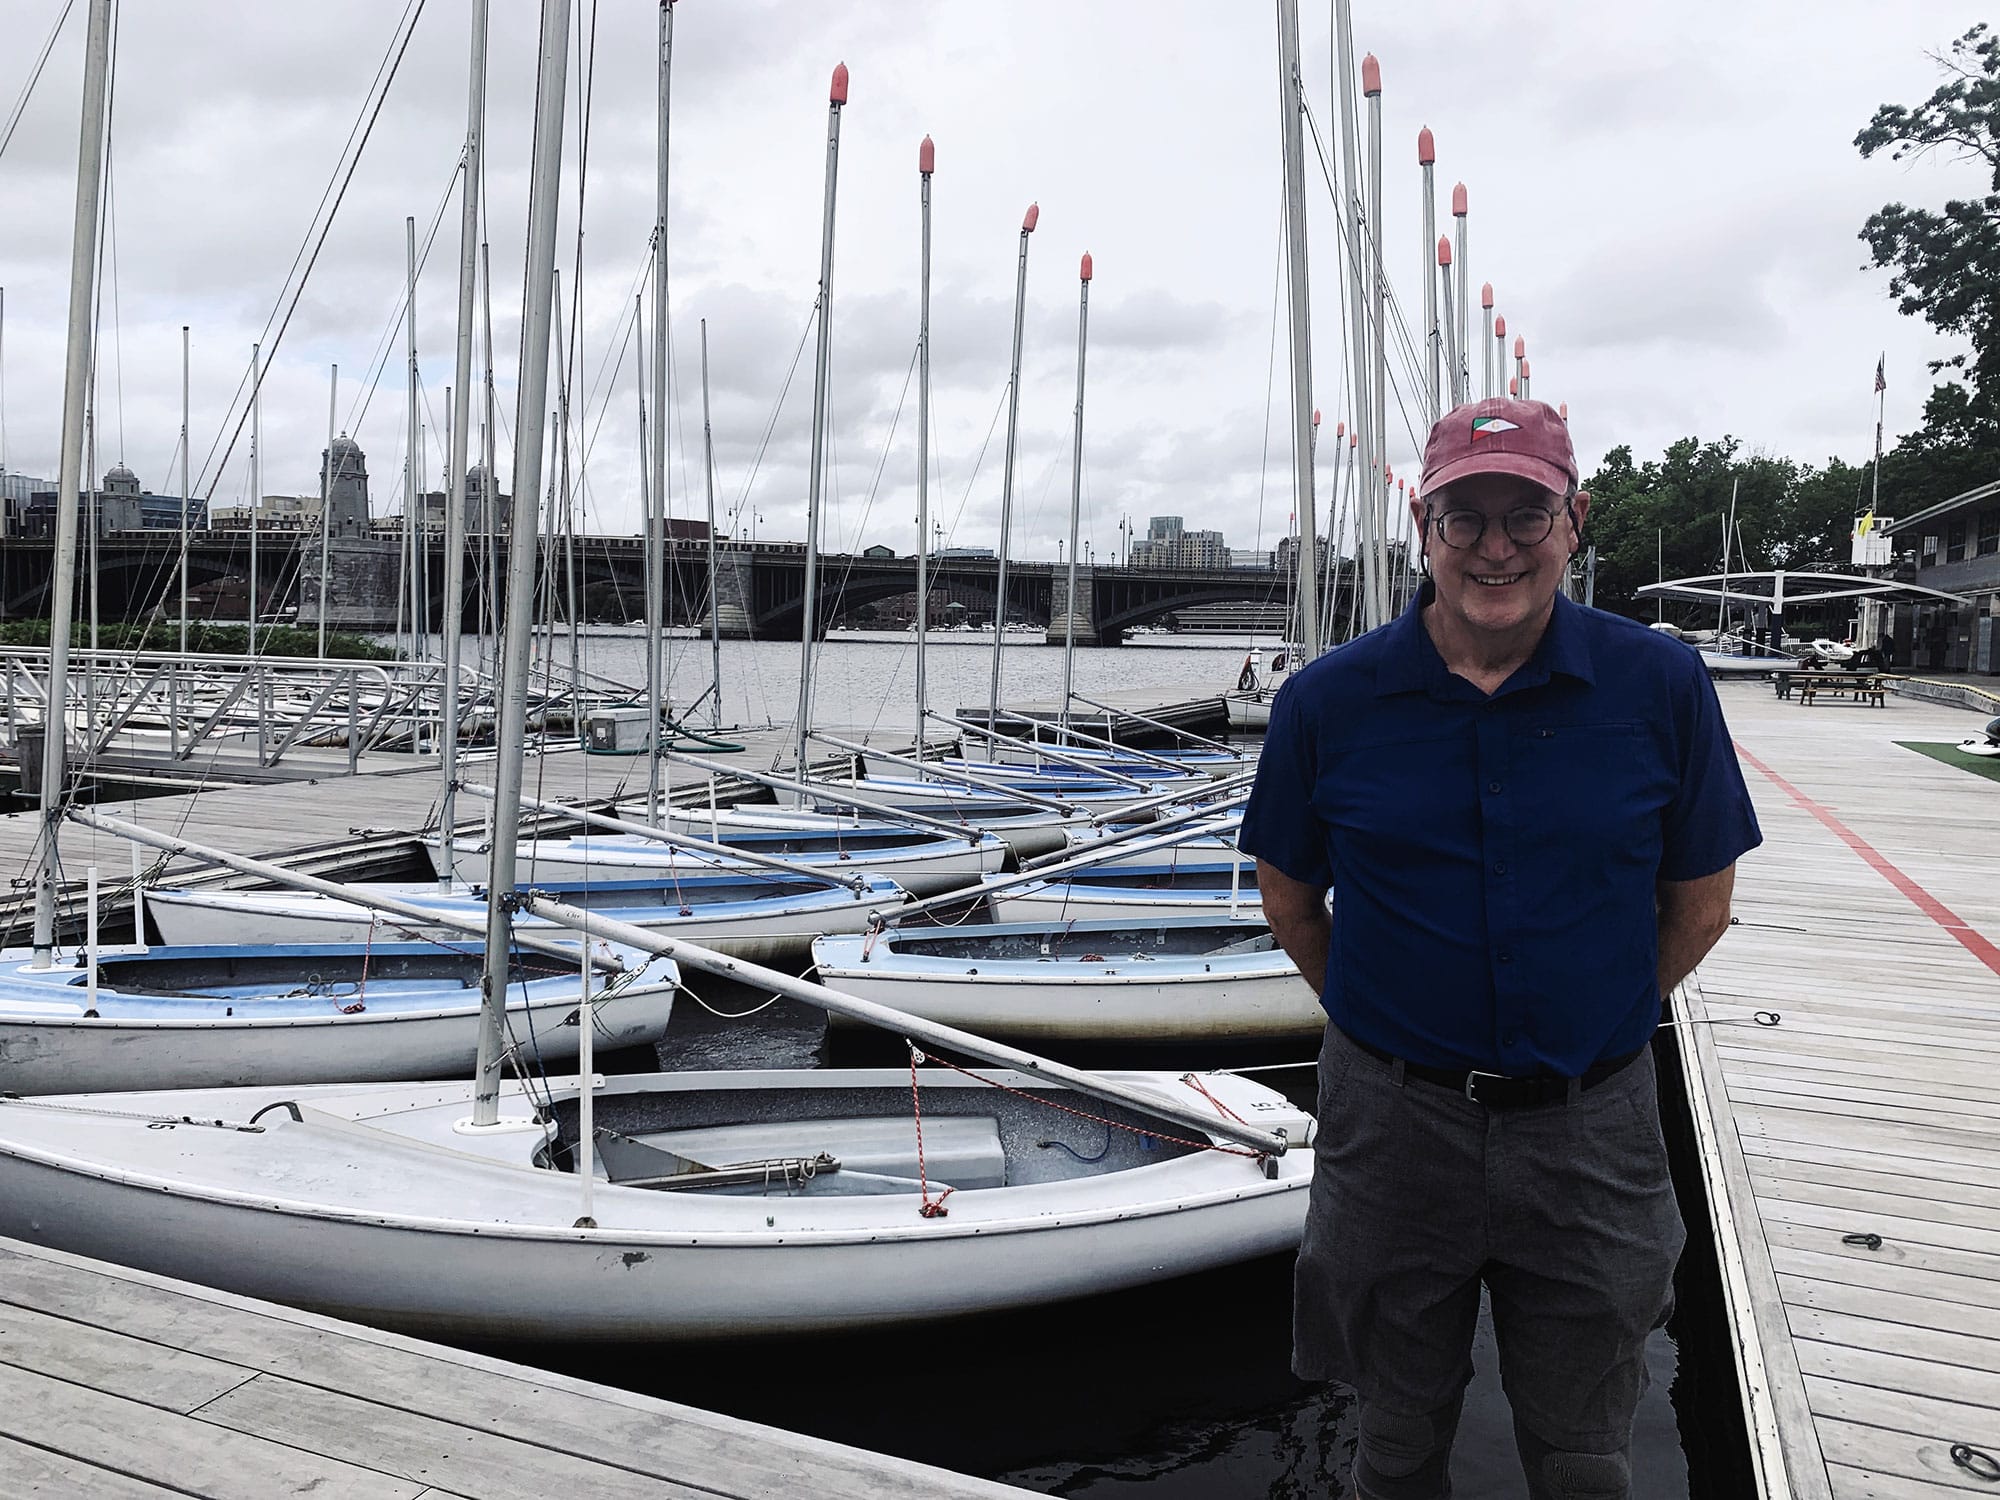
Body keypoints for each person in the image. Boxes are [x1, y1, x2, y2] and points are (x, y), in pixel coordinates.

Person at [1239, 396, 1762, 1500]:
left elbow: (1699, 904)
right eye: (1460, 518)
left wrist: (1598, 1016)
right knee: (1393, 1437)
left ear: (1572, 522)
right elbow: (1290, 902)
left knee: (1583, 1450)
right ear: (1420, 532)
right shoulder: (1328, 703)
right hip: (1391, 1127)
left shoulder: (1657, 687)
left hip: (1590, 1120)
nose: (1492, 548)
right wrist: (1393, 1027)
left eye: (1522, 515)